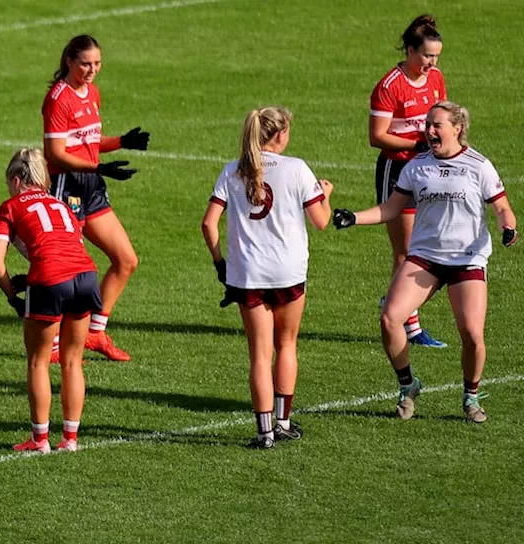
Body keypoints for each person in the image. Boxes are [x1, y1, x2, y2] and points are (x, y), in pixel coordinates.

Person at [333, 101, 516, 423]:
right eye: (428, 124)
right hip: (425, 257)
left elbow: (501, 206)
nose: (429, 130)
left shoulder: (478, 165)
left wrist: (508, 226)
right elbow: (391, 208)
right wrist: (354, 218)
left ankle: (471, 397)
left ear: (457, 129)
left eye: (437, 125)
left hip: (467, 259)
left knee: (472, 333)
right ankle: (408, 385)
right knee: (390, 317)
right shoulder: (417, 166)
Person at [200, 107, 334, 449]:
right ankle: (284, 422)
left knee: (259, 355)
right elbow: (321, 220)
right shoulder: (297, 169)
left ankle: (264, 433)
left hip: (248, 275)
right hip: (288, 272)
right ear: (280, 135)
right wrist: (326, 194)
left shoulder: (233, 171)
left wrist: (221, 265)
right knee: (286, 344)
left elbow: (208, 224)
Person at [41, 34, 150, 363]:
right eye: (85, 64)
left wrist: (121, 142)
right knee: (67, 269)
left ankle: (95, 332)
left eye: (97, 63)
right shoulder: (58, 99)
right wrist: (99, 166)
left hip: (91, 185)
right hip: (67, 186)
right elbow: (55, 153)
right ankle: (56, 347)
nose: (92, 70)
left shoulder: (92, 93)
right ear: (70, 62)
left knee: (126, 259)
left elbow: (86, 139)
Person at [0, 148, 99, 453]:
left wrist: (13, 297)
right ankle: (71, 439)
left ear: (15, 179)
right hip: (86, 276)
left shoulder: (9, 207)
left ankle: (39, 440)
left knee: (38, 361)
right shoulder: (61, 204)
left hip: (50, 280)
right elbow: (65, 244)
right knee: (73, 360)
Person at [368, 15, 449, 348]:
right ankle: (411, 328)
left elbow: (442, 117)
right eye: (427, 56)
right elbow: (377, 137)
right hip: (398, 171)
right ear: (411, 50)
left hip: (429, 172)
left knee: (437, 249)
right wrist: (417, 143)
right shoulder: (390, 86)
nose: (432, 63)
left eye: (436, 57)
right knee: (406, 253)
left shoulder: (436, 78)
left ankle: (393, 304)